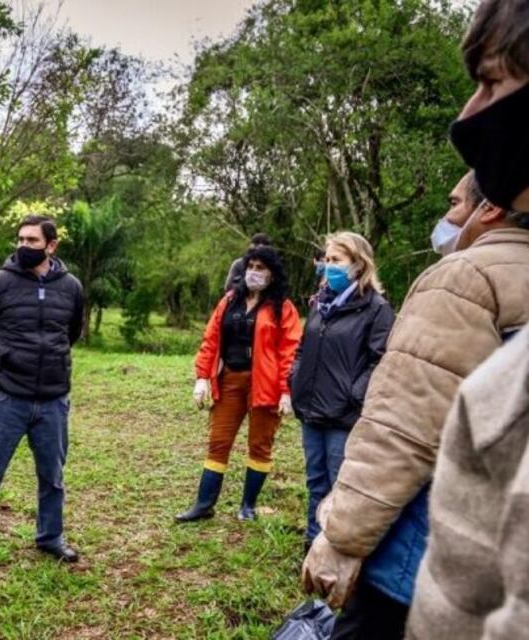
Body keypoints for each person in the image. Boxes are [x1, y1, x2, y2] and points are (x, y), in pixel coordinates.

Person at [301, 169, 529, 635]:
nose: (446, 217)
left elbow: (405, 427)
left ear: (490, 208)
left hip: (418, 560)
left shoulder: (466, 279)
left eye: (453, 203)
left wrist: (342, 538)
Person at [407, 1, 529, 637]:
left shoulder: (465, 277)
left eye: (493, 82)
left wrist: (342, 537)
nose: (469, 117)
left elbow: (407, 416)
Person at [0, 215, 84, 570]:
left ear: (51, 245)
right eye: (20, 240)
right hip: (5, 398)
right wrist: (3, 361)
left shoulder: (71, 287)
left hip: (52, 400)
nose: (24, 246)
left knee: (52, 477)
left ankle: (50, 538)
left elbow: (71, 331)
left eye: (32, 241)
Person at [178, 246, 302, 523]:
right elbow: (211, 338)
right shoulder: (230, 300)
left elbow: (289, 351)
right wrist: (201, 376)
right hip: (230, 378)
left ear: (272, 274)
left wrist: (286, 390)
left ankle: (248, 505)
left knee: (259, 445)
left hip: (265, 384)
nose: (254, 273)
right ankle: (203, 505)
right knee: (218, 442)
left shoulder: (283, 308)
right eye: (251, 267)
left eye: (261, 268)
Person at [289, 232, 394, 553]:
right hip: (310, 408)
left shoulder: (376, 309)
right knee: (315, 481)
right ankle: (312, 543)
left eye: (336, 260)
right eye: (326, 260)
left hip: (343, 416)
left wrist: (354, 393)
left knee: (339, 485)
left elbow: (381, 361)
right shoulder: (321, 304)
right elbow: (303, 350)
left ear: (358, 264)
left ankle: (335, 549)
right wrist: (295, 379)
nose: (327, 266)